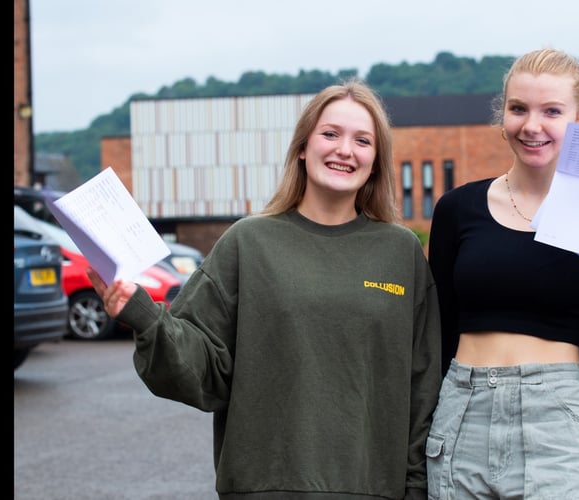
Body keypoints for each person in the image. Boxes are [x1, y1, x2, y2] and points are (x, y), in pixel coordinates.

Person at [87, 78, 442, 500]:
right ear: (303, 147)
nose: (345, 150)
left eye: (362, 140)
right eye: (330, 134)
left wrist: (418, 488)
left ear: (377, 159)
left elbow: (424, 386)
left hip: (374, 489)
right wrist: (142, 314)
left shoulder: (400, 252)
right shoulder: (247, 242)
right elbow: (202, 368)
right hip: (262, 487)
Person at [424, 48, 579, 499]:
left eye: (551, 111)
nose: (531, 126)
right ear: (503, 116)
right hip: (462, 415)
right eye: (518, 109)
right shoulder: (458, 210)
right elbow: (436, 336)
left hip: (557, 424)